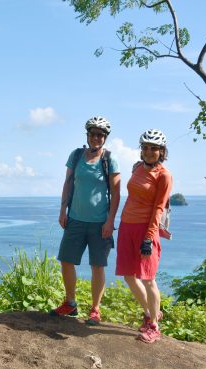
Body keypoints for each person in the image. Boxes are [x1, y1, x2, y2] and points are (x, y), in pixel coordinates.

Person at [50, 116, 121, 325]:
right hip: (75, 219)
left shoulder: (110, 159)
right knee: (66, 261)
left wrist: (110, 221)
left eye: (100, 134)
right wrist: (63, 209)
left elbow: (116, 194)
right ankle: (70, 302)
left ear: (105, 138)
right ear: (87, 135)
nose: (96, 137)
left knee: (97, 265)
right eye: (93, 134)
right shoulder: (76, 155)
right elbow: (68, 182)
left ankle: (95, 309)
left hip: (100, 222)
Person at [115, 129, 172, 343]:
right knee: (129, 276)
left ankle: (155, 327)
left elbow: (158, 207)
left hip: (145, 229)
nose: (149, 152)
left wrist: (149, 237)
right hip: (127, 225)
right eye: (146, 147)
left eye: (154, 148)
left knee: (148, 278)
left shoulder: (164, 176)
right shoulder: (137, 168)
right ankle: (149, 314)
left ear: (161, 151)